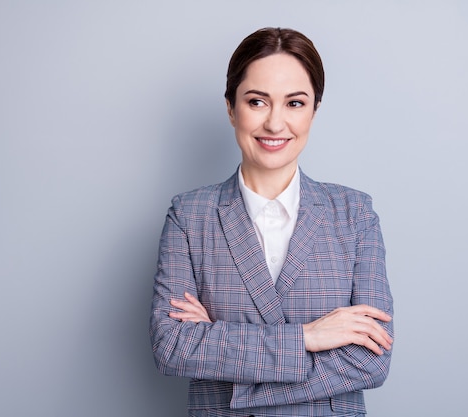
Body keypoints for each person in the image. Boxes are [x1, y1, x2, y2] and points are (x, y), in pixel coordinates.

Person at [149, 27, 394, 417]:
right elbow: (173, 346)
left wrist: (225, 358)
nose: (276, 124)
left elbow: (370, 360)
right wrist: (308, 337)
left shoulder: (355, 214)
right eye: (257, 101)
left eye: (295, 103)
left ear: (314, 109)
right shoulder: (189, 216)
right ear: (231, 108)